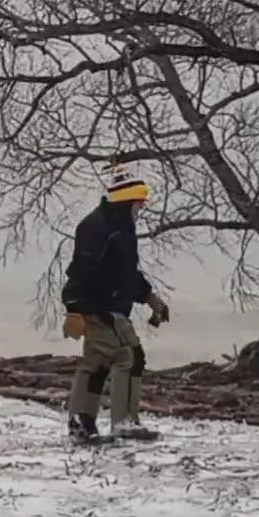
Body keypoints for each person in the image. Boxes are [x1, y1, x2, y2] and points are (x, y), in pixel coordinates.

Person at [60, 165, 170, 442]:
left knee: (96, 363)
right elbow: (82, 268)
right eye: (138, 203)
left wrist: (150, 299)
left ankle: (81, 424)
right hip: (99, 306)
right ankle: (125, 422)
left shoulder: (121, 228)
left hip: (110, 306)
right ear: (126, 201)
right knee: (130, 357)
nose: (141, 209)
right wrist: (73, 307)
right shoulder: (98, 227)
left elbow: (126, 274)